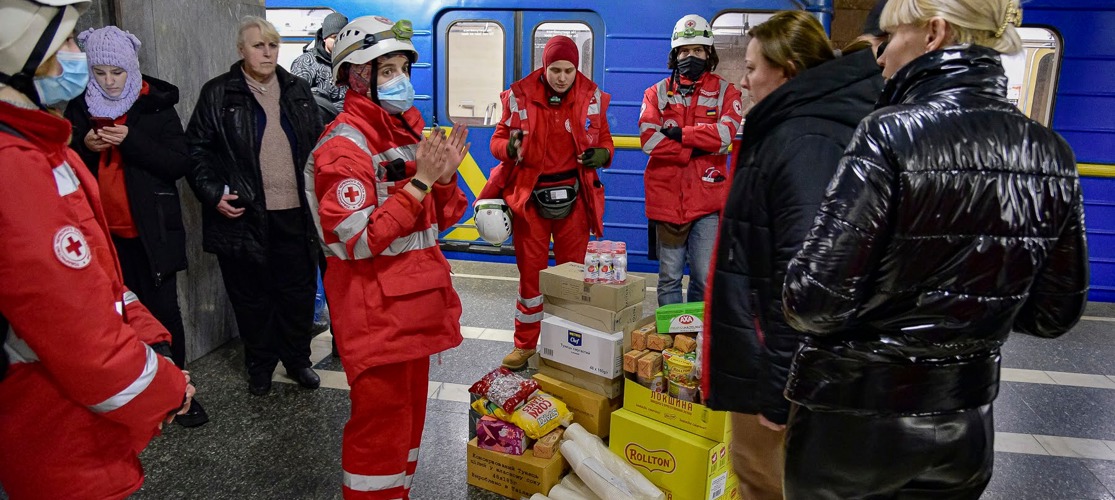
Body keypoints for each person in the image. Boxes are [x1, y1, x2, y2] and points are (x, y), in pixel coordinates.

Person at [781, 1, 1088, 498]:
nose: (880, 57)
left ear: (934, 34)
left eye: (889, 37)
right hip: (965, 424)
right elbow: (1053, 314)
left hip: (854, 420)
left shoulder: (888, 133)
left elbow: (813, 302)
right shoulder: (1049, 151)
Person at [0, 0, 194, 497]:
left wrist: (153, 342)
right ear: (25, 54)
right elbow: (76, 326)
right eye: (66, 43)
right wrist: (166, 389)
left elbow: (100, 285)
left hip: (71, 423)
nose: (79, 60)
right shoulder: (16, 165)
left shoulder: (43, 144)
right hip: (53, 432)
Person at [700, 10, 883, 500]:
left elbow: (803, 280)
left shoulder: (803, 141)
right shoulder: (801, 127)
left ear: (789, 70)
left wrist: (782, 388)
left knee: (765, 479)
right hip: (774, 357)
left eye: (755, 67)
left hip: (775, 366)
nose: (745, 78)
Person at [305, 16, 469, 499]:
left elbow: (446, 217)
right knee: (380, 436)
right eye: (386, 70)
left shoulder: (402, 130)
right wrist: (420, 182)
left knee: (408, 430)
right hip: (375, 314)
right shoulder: (342, 146)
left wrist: (442, 179)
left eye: (403, 68)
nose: (400, 81)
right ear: (357, 77)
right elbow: (354, 240)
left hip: (413, 305)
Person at [64, 25, 208, 428]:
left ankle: (180, 394)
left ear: (132, 70)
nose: (109, 81)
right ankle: (129, 399)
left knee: (163, 315)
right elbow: (60, 166)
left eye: (117, 72)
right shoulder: (76, 109)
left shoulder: (156, 107)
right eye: (100, 73)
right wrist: (84, 148)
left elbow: (178, 164)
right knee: (114, 321)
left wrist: (130, 140)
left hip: (152, 235)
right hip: (100, 239)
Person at [186, 16, 324, 396]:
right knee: (252, 297)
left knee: (297, 293)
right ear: (240, 50)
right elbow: (196, 149)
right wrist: (213, 192)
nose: (266, 53)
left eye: (272, 45)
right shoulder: (219, 93)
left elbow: (316, 145)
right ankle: (260, 365)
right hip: (244, 215)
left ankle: (297, 360)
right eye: (258, 45)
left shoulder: (296, 89)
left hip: (296, 214)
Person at [477, 35, 614, 370]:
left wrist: (603, 155)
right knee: (531, 279)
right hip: (530, 202)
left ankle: (570, 346)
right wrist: (507, 149)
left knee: (572, 278)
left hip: (575, 201)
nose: (562, 77)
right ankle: (524, 345)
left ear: (576, 69)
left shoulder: (591, 97)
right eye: (555, 69)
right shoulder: (519, 97)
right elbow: (496, 140)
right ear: (545, 66)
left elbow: (606, 142)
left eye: (568, 70)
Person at [640, 14, 742, 306]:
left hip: (707, 201)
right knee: (669, 275)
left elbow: (725, 135)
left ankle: (696, 338)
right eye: (684, 50)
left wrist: (680, 135)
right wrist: (697, 147)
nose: (691, 56)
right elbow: (649, 139)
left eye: (698, 50)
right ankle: (672, 339)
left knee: (704, 275)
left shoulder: (726, 91)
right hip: (666, 199)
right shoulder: (656, 93)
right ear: (675, 54)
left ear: (709, 53)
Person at [291, 11, 348, 123]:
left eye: (343, 37)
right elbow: (297, 99)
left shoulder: (352, 62)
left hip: (349, 123)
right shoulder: (306, 63)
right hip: (319, 125)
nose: (338, 41)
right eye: (334, 37)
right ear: (325, 38)